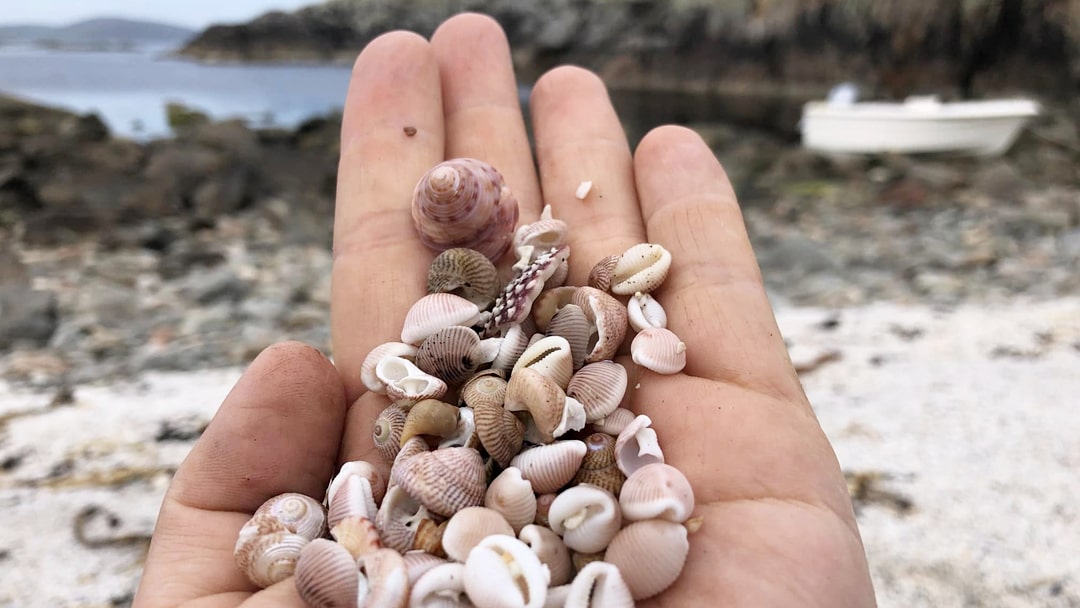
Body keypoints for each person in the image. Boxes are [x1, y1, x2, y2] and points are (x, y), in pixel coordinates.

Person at [133, 14, 876, 608]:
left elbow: (524, 385)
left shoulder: (540, 372)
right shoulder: (457, 403)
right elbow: (463, 404)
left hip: (531, 412)